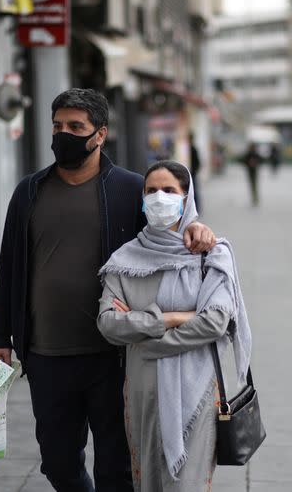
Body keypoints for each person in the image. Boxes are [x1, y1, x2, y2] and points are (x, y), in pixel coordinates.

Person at [0, 89, 216, 492]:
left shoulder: (129, 189)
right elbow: (10, 267)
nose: (64, 134)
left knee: (117, 469)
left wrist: (198, 228)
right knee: (57, 464)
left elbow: (172, 224)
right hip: (45, 355)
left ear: (100, 134)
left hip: (114, 357)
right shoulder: (29, 191)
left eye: (76, 127)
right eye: (58, 126)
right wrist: (1, 335)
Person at [96, 160, 252, 492]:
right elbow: (109, 325)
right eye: (151, 191)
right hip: (142, 393)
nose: (159, 197)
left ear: (187, 197)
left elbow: (215, 321)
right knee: (148, 481)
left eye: (169, 190)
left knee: (188, 486)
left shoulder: (209, 256)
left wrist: (146, 338)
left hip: (196, 391)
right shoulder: (125, 260)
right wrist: (170, 318)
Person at [188, 133, 202, 212]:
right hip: (190, 173)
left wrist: (194, 171)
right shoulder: (187, 148)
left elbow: (198, 162)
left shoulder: (192, 149)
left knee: (194, 191)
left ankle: (197, 208)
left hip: (192, 173)